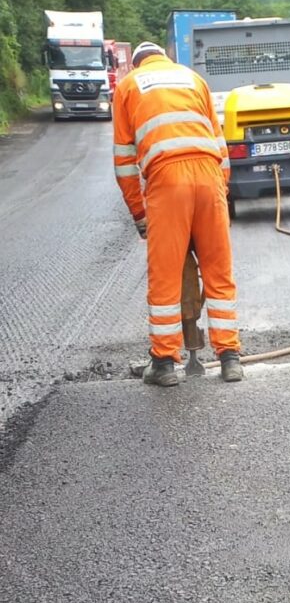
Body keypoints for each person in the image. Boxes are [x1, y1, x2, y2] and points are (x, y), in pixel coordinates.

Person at [112, 40, 242, 386]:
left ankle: (165, 364)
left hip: (167, 182)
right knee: (218, 271)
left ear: (137, 64)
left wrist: (141, 215)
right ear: (164, 60)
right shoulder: (192, 78)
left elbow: (125, 163)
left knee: (166, 277)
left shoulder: (127, 86)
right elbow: (220, 144)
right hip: (210, 176)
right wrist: (218, 192)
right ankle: (230, 358)